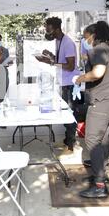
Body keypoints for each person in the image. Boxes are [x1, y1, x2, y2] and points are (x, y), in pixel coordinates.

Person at [74, 21, 109, 198]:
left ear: (93, 35)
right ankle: (102, 174)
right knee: (102, 139)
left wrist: (81, 78)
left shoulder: (99, 49)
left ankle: (99, 185)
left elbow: (98, 72)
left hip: (101, 101)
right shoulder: (107, 48)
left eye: (86, 38)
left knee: (92, 139)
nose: (85, 41)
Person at [36, 16, 80, 155]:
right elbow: (61, 61)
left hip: (70, 84)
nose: (47, 33)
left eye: (49, 30)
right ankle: (68, 140)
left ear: (56, 29)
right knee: (65, 113)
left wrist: (49, 62)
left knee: (69, 114)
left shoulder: (67, 43)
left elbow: (70, 66)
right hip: (64, 82)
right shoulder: (58, 41)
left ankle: (71, 145)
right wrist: (50, 57)